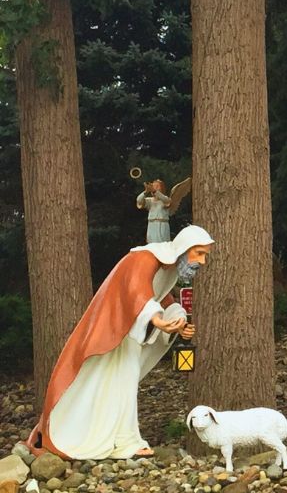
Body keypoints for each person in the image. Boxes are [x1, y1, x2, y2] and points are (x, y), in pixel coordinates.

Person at [27, 224, 214, 459]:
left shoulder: (167, 267)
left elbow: (161, 297)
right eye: (199, 254)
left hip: (128, 334)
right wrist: (156, 319)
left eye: (205, 255)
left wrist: (178, 322)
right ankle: (126, 442)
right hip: (115, 331)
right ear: (185, 248)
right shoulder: (145, 258)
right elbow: (137, 291)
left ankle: (120, 439)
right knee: (121, 380)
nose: (202, 262)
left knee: (120, 383)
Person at [136, 179, 172, 244]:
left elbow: (165, 200)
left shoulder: (166, 199)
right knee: (151, 244)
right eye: (153, 186)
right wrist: (146, 191)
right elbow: (139, 200)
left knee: (161, 244)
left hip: (161, 225)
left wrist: (154, 191)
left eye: (157, 186)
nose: (154, 188)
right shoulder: (150, 201)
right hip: (151, 225)